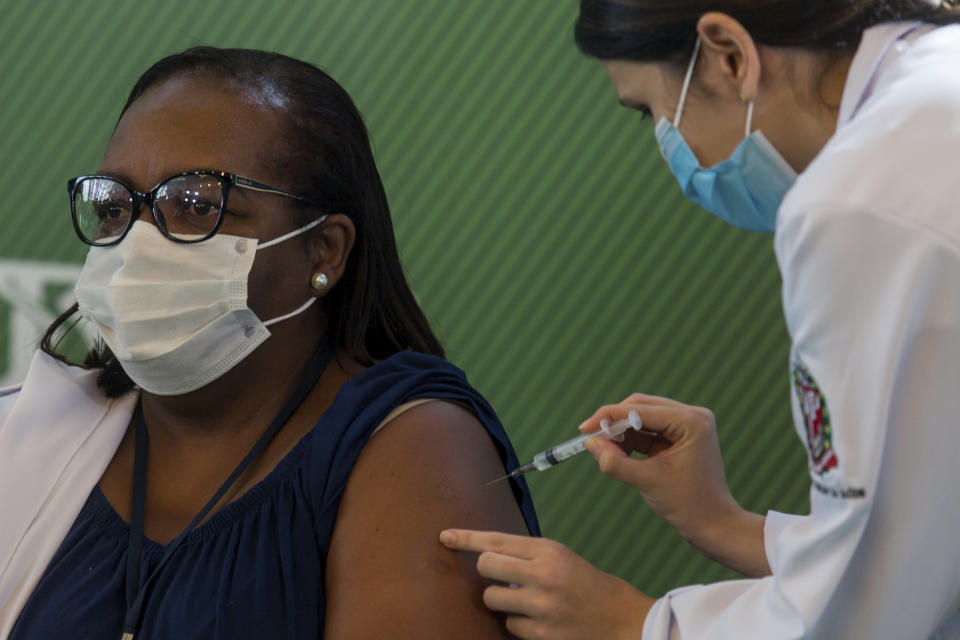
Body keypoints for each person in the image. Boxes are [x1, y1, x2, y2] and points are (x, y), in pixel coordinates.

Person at [440, 1, 960, 638]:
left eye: (649, 112)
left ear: (729, 55)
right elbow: (919, 538)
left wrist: (633, 622)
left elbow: (865, 615)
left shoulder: (856, 205)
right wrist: (719, 523)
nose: (669, 143)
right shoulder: (932, 89)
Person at [0, 47, 539, 639]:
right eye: (115, 206)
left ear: (325, 250)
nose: (138, 245)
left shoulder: (414, 444)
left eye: (198, 205)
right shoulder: (29, 437)